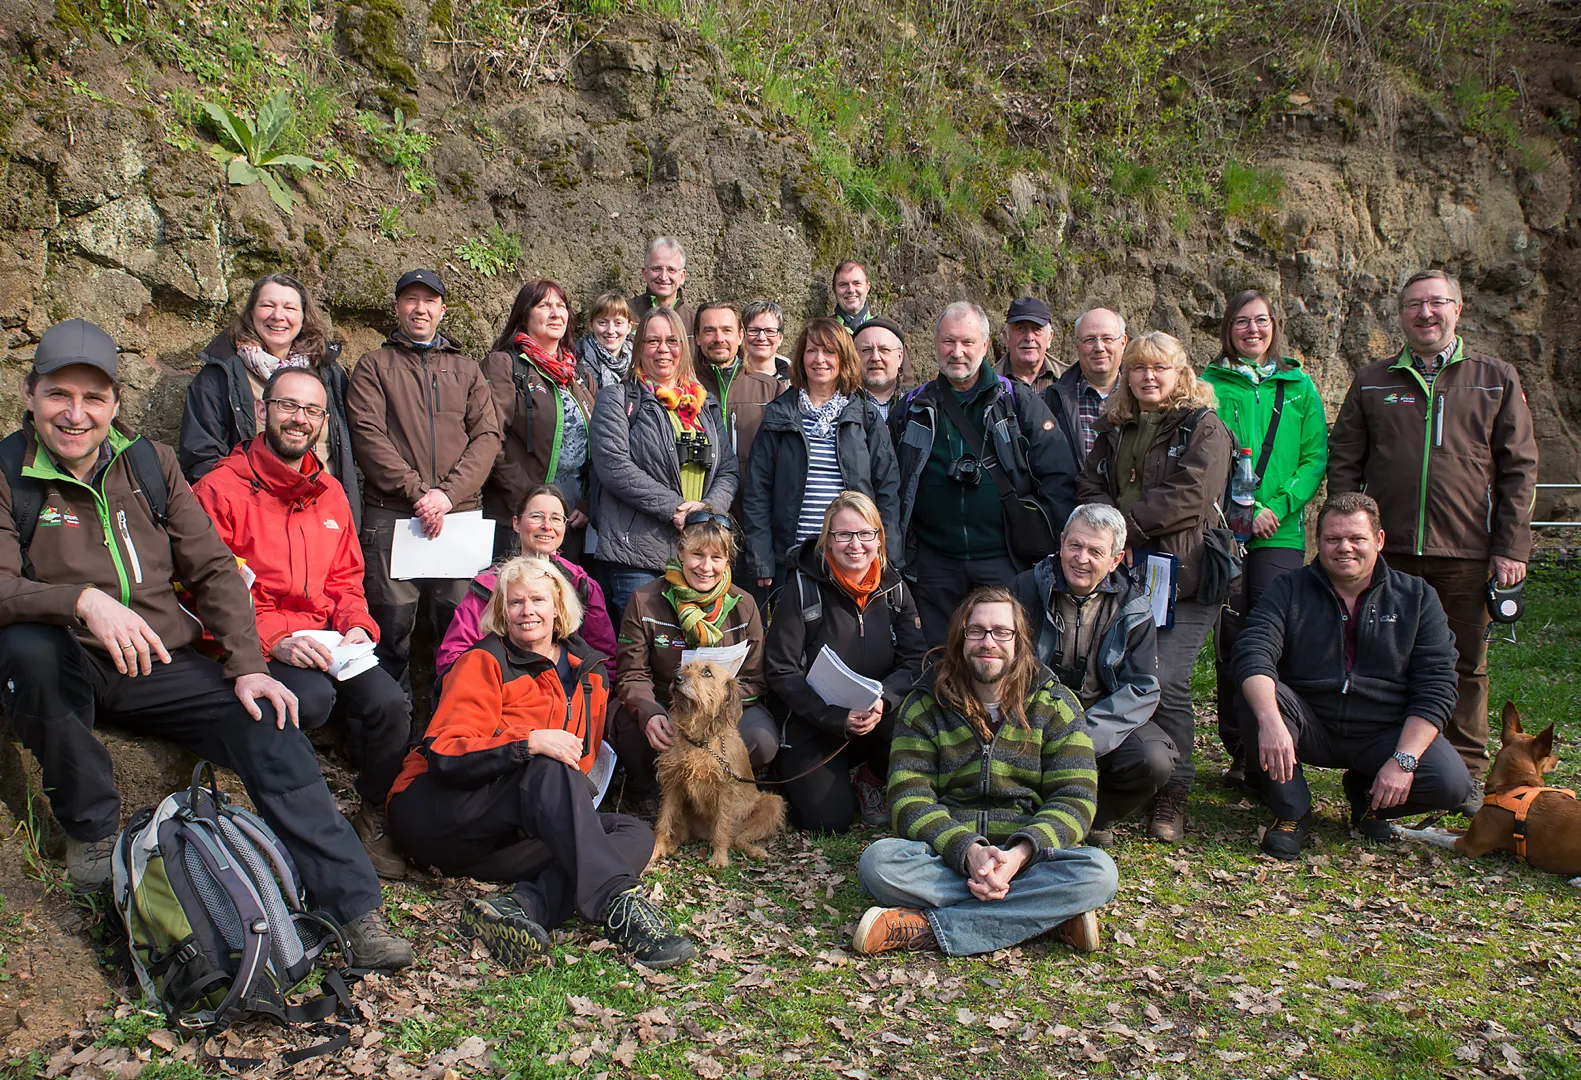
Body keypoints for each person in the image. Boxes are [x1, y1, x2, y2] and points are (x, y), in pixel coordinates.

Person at [0, 319, 410, 968]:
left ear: (113, 403)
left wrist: (248, 666)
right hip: (67, 659)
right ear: (30, 394)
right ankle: (91, 829)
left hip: (162, 660)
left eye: (93, 398)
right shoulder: (7, 471)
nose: (76, 415)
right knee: (28, 648)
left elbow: (214, 569)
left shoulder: (149, 465)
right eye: (59, 395)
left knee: (269, 720)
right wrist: (80, 601)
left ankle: (355, 909)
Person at [386, 556, 695, 969]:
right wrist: (527, 743)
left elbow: (583, 759)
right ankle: (622, 912)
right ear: (502, 612)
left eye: (537, 600)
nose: (527, 610)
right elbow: (445, 753)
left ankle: (521, 908)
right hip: (439, 813)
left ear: (558, 608)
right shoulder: (485, 660)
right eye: (515, 603)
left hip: (506, 838)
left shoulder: (590, 674)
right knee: (548, 767)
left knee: (632, 833)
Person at [1327, 270, 1538, 814]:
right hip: (1388, 555)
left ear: (1458, 309)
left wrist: (1511, 546)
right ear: (1400, 315)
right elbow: (1345, 462)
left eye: (1436, 303)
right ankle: (1385, 767)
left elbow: (1519, 468)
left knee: (1465, 666)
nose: (1425, 314)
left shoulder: (1494, 377)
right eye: (1414, 305)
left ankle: (1464, 777)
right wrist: (1353, 540)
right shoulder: (1373, 380)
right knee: (1381, 663)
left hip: (1467, 552)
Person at [192, 367, 413, 880]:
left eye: (312, 411)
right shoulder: (220, 489)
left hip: (328, 637)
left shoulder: (331, 491)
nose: (300, 419)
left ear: (323, 421)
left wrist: (356, 623)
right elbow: (202, 590)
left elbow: (347, 578)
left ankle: (371, 815)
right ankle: (296, 830)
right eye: (289, 406)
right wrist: (276, 639)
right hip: (258, 637)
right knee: (310, 700)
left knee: (392, 705)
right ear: (263, 409)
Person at [852, 587, 1117, 956]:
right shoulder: (925, 704)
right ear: (960, 640)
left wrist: (1018, 856)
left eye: (1001, 632)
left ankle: (926, 928)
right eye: (976, 631)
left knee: (1099, 872)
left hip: (1027, 861)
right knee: (877, 864)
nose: (988, 642)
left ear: (1019, 640)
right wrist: (969, 852)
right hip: (947, 857)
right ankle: (1048, 916)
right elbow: (909, 799)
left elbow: (1076, 798)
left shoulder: (1056, 704)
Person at [1233, 493, 1474, 858]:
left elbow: (1437, 684)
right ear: (1319, 541)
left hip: (1383, 730)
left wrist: (1403, 760)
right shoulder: (1289, 588)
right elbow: (1254, 650)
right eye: (1333, 539)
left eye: (1357, 539)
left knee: (1451, 782)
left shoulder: (1417, 597)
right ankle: (1292, 811)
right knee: (1257, 697)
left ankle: (1369, 798)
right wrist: (1270, 721)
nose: (1345, 548)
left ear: (1378, 540)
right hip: (1310, 720)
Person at [1076, 331, 1233, 843]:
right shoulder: (1116, 427)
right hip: (1122, 575)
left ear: (1180, 374)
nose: (1148, 376)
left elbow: (1191, 493)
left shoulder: (1204, 428)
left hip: (1184, 578)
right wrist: (1105, 529)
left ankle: (1173, 792)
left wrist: (1118, 527)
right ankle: (1124, 774)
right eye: (1139, 368)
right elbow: (1091, 483)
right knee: (1117, 671)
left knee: (1167, 678)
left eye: (1159, 368)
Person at [345, 269, 501, 692]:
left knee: (462, 632)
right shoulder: (373, 367)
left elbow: (487, 437)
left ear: (442, 309)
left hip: (458, 520)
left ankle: (454, 731)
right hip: (394, 517)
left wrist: (447, 496)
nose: (420, 308)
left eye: (429, 300)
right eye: (411, 299)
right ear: (397, 307)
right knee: (389, 631)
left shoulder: (467, 370)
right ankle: (390, 738)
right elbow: (367, 435)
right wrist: (420, 494)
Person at [1200, 291, 1328, 789]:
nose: (1252, 330)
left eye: (1261, 321)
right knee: (1230, 637)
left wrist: (1278, 507)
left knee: (1276, 633)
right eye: (1241, 322)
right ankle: (1238, 748)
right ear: (1227, 328)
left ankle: (1277, 742)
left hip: (1282, 530)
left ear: (1274, 326)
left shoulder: (1298, 386)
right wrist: (1235, 514)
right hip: (1225, 531)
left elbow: (1314, 456)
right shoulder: (1210, 384)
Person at [891, 301, 1077, 645]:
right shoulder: (913, 406)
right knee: (937, 654)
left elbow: (1058, 476)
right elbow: (890, 483)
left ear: (986, 345)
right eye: (948, 342)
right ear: (935, 344)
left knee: (1002, 651)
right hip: (934, 561)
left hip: (1004, 557)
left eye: (967, 343)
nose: (957, 352)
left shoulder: (1017, 401)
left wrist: (1054, 549)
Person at [1011, 504, 1174, 846]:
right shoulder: (1024, 590)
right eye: (1075, 545)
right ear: (1061, 542)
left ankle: (1093, 815)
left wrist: (1085, 736)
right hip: (1032, 718)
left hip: (1099, 720)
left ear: (1115, 560)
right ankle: (1028, 811)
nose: (1081, 558)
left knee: (1154, 759)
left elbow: (1142, 688)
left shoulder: (1135, 607)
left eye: (1095, 551)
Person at [763, 492, 926, 832]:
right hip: (813, 723)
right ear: (828, 540)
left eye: (866, 534)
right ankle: (801, 774)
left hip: (875, 715)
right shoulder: (802, 588)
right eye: (844, 535)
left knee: (919, 723)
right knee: (830, 821)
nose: (856, 545)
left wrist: (885, 699)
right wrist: (835, 717)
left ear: (878, 538)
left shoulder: (894, 587)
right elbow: (781, 669)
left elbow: (915, 659)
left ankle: (870, 777)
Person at [610, 516, 775, 811]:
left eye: (716, 557)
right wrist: (650, 712)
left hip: (721, 708)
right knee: (630, 728)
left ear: (728, 561)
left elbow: (754, 677)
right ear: (681, 554)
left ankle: (716, 794)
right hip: (665, 702)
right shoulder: (645, 600)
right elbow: (632, 673)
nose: (705, 567)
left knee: (762, 740)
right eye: (697, 555)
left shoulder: (744, 604)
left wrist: (721, 711)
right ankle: (648, 792)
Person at [589, 307, 737, 616]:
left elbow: (728, 470)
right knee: (641, 655)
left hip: (698, 555)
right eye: (652, 341)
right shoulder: (617, 398)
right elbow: (614, 466)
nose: (663, 349)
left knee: (692, 657)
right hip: (637, 556)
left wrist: (707, 510)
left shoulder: (704, 402)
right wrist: (675, 509)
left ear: (684, 347)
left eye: (672, 340)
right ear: (638, 347)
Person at [178, 273, 360, 524]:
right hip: (253, 518)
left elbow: (344, 448)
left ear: (304, 315)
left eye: (289, 307)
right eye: (267, 305)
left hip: (325, 514)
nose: (278, 315)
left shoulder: (328, 372)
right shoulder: (222, 373)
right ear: (251, 312)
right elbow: (202, 455)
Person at [742, 317, 900, 589]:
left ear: (844, 358)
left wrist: (888, 555)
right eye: (811, 350)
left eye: (829, 351)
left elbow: (887, 488)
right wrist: (762, 559)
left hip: (855, 555)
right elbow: (758, 492)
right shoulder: (780, 414)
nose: (819, 359)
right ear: (801, 357)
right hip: (794, 557)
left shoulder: (864, 415)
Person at [437, 483, 617, 676]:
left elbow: (604, 659)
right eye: (536, 516)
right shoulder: (488, 586)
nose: (546, 526)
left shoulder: (582, 585)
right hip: (500, 692)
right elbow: (453, 657)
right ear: (516, 523)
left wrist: (593, 700)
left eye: (556, 518)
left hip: (567, 695)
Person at [482, 279, 598, 559]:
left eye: (561, 306)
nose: (556, 313)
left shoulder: (580, 374)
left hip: (569, 520)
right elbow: (489, 440)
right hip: (516, 516)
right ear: (524, 314)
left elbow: (600, 449)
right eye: (544, 305)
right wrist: (531, 503)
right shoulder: (504, 365)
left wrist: (587, 501)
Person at [694, 300, 788, 469]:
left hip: (753, 493)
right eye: (709, 331)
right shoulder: (684, 386)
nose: (719, 338)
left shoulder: (773, 389)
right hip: (699, 494)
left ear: (740, 336)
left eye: (726, 330)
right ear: (697, 337)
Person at [1045, 307, 1127, 465]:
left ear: (1123, 343)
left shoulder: (1143, 398)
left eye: (1107, 339)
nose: (1099, 348)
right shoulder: (1050, 402)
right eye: (1089, 339)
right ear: (1077, 345)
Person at [628, 236, 696, 333]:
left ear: (682, 276)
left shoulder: (695, 322)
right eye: (657, 268)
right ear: (644, 273)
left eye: (671, 270)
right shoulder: (624, 314)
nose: (663, 277)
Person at [574, 291, 634, 391]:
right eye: (602, 322)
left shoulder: (640, 361)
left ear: (629, 327)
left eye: (618, 323)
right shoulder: (577, 358)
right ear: (591, 325)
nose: (610, 330)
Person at [853, 316, 909, 421]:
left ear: (900, 357)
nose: (875, 358)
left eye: (884, 350)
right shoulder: (840, 404)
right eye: (866, 350)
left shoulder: (916, 404)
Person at [997, 297, 1057, 392]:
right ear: (1006, 337)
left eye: (1037, 329)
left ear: (1049, 337)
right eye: (1020, 328)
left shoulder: (1070, 379)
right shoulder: (986, 383)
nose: (1029, 338)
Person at [831, 260, 873, 334]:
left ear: (867, 287)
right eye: (843, 285)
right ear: (834, 290)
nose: (851, 290)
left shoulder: (886, 328)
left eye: (857, 283)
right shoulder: (824, 331)